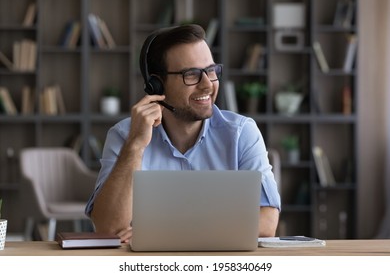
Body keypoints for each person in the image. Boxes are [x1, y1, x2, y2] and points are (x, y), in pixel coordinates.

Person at [85, 24, 281, 243]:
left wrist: (165, 233)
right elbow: (108, 228)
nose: (207, 85)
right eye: (192, 75)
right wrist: (136, 145)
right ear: (157, 86)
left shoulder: (242, 132)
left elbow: (266, 223)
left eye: (211, 71)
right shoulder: (125, 136)